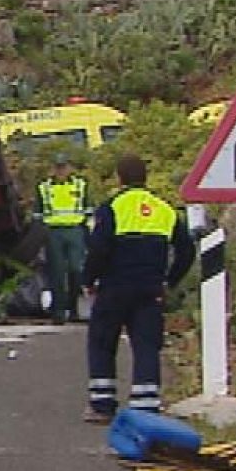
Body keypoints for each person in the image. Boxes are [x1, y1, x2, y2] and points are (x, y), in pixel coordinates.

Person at [81, 154, 195, 423]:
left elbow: (99, 249)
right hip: (150, 289)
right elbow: (187, 250)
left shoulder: (112, 208)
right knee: (146, 345)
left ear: (120, 178)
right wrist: (170, 280)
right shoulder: (164, 209)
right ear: (146, 177)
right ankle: (146, 406)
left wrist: (88, 279)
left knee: (102, 342)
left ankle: (102, 404)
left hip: (115, 287)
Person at [36, 154, 90, 324]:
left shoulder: (80, 186)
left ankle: (73, 309)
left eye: (63, 167)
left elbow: (88, 209)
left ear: (69, 168)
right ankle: (58, 312)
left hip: (75, 230)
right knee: (57, 272)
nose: (60, 171)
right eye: (58, 167)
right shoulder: (44, 188)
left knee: (76, 270)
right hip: (54, 232)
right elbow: (38, 212)